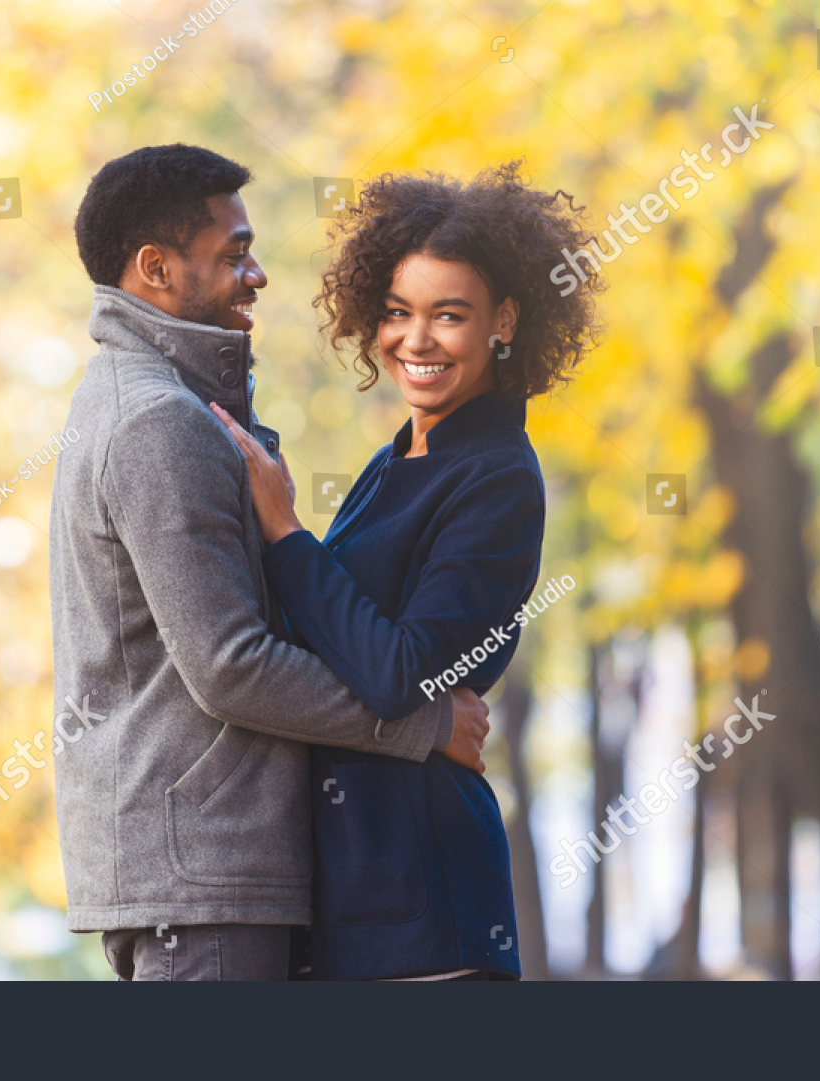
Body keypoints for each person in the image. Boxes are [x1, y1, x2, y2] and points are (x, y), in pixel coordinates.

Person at [52, 144, 491, 981]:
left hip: (204, 871)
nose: (255, 276)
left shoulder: (153, 401)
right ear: (154, 267)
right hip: (206, 878)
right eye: (233, 255)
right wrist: (426, 726)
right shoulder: (158, 423)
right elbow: (230, 665)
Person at [213, 162, 599, 979]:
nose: (415, 341)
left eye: (448, 315)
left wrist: (286, 534)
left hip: (425, 904)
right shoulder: (400, 457)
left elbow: (401, 673)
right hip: (357, 893)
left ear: (505, 320)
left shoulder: (496, 474)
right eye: (398, 312)